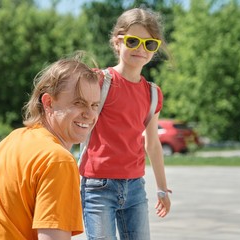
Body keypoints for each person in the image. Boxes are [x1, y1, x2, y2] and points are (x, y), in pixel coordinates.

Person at [0, 56, 101, 240]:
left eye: (95, 105)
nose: (90, 114)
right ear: (48, 103)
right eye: (78, 103)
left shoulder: (13, 140)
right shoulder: (57, 160)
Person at [78, 7, 172, 240]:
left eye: (149, 44)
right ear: (117, 42)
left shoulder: (152, 94)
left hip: (135, 189)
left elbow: (153, 145)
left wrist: (161, 188)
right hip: (97, 187)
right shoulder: (99, 81)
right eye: (133, 41)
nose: (141, 49)